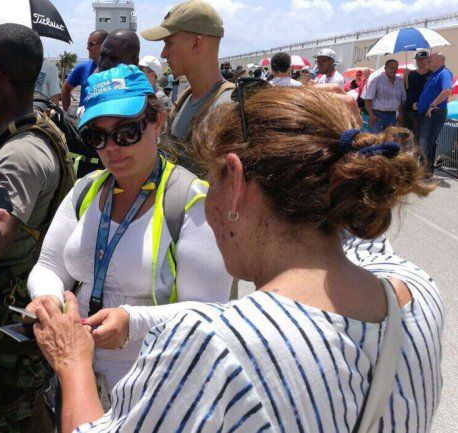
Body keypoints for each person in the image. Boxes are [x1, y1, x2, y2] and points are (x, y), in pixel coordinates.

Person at [32, 86, 442, 433]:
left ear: (236, 180)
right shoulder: (418, 291)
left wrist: (71, 361)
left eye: (211, 182)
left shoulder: (211, 344)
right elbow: (360, 242)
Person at [25, 65, 231, 395]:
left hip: (156, 387)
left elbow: (211, 311)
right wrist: (49, 302)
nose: (112, 148)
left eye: (126, 132)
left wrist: (132, 323)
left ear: (157, 122)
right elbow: (49, 266)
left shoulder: (191, 201)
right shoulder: (85, 189)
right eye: (96, 136)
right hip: (79, 376)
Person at [0, 23, 75, 432]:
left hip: (7, 305)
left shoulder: (22, 153)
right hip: (16, 300)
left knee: (16, 412)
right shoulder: (31, 129)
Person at [142, 0, 233, 176]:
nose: (163, 53)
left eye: (169, 43)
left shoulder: (226, 108)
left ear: (196, 44)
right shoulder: (186, 98)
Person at [417, 52, 453, 177]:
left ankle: (423, 172)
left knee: (426, 142)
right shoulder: (434, 74)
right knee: (427, 142)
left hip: (434, 113)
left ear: (439, 61)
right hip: (428, 113)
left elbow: (448, 90)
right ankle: (426, 172)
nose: (428, 62)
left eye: (430, 60)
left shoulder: (444, 73)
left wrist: (432, 105)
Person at [62, 30, 107, 112]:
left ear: (103, 45)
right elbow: (66, 88)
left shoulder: (116, 69)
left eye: (91, 44)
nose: (87, 48)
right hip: (85, 121)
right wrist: (67, 113)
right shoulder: (82, 67)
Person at [364, 59, 406, 133]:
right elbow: (367, 99)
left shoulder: (399, 81)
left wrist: (400, 114)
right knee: (375, 141)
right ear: (385, 68)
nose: (394, 70)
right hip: (377, 115)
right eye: (391, 67)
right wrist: (371, 115)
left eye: (396, 68)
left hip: (392, 117)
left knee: (389, 141)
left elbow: (402, 100)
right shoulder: (376, 80)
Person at [401, 51, 431, 145]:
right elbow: (402, 90)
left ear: (427, 60)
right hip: (407, 110)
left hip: (421, 112)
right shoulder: (410, 74)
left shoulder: (431, 75)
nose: (419, 61)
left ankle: (416, 159)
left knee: (418, 138)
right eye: (417, 60)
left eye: (422, 59)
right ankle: (402, 158)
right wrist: (403, 78)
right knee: (403, 137)